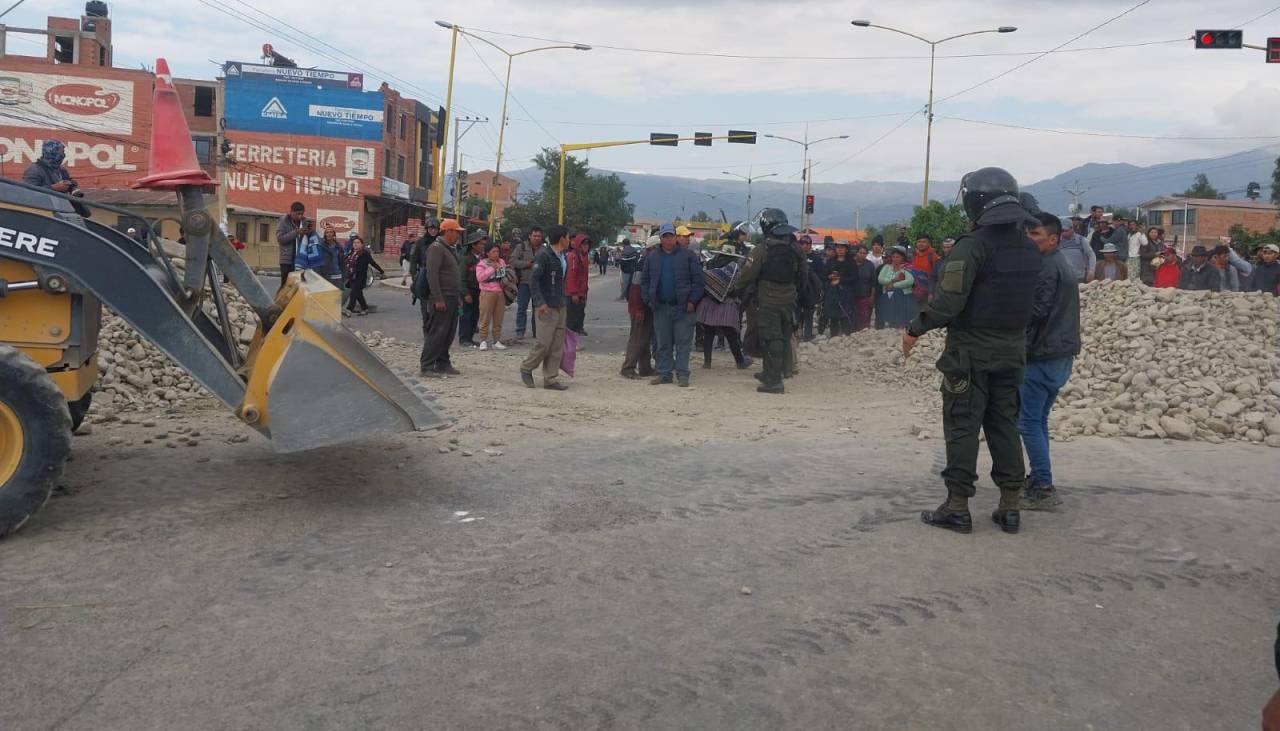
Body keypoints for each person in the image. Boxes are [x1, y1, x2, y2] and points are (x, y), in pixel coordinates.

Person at [903, 167, 1041, 535]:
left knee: (963, 426)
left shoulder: (972, 246)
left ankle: (957, 505)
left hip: (970, 353)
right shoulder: (1029, 248)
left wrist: (915, 328)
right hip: (1012, 352)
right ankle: (1010, 505)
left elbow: (948, 304)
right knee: (1004, 425)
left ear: (973, 200)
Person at [1018, 213, 1080, 511]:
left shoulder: (1046, 267)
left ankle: (1043, 486)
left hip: (1042, 354)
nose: (1030, 239)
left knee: (1028, 422)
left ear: (1053, 238)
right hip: (1060, 353)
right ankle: (1038, 477)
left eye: (1035, 234)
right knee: (1038, 419)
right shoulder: (1060, 264)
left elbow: (1036, 312)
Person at [731, 208, 807, 395]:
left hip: (768, 300)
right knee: (782, 335)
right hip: (789, 300)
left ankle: (774, 381)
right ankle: (773, 372)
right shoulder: (796, 248)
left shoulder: (762, 248)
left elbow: (747, 275)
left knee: (770, 338)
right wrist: (794, 293)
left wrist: (736, 290)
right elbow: (803, 276)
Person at [642, 223, 705, 388]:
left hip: (684, 308)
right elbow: (645, 281)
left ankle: (683, 374)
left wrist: (693, 301)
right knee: (663, 343)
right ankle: (664, 374)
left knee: (683, 343)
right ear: (660, 238)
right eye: (665, 236)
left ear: (676, 237)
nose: (668, 239)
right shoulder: (652, 257)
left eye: (671, 236)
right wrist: (648, 299)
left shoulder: (688, 256)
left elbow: (699, 281)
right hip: (661, 307)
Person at [520, 225, 571, 391]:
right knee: (544, 342)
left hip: (560, 305)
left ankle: (550, 378)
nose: (569, 240)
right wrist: (540, 301)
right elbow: (533, 281)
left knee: (557, 344)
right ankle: (527, 367)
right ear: (562, 238)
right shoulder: (544, 256)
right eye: (568, 237)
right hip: (546, 306)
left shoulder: (563, 257)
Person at [420, 219, 464, 376]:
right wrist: (438, 298)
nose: (458, 235)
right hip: (442, 297)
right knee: (437, 333)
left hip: (451, 296)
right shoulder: (436, 248)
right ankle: (426, 365)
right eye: (456, 232)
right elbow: (432, 275)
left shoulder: (449, 249)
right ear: (449, 232)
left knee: (448, 333)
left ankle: (443, 363)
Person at [620, 236, 658, 380]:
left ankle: (645, 367)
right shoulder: (644, 264)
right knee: (638, 338)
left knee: (645, 337)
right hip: (639, 307)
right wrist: (639, 310)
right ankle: (628, 367)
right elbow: (635, 289)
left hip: (644, 306)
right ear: (653, 248)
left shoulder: (646, 261)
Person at [510, 226, 545, 340]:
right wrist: (527, 264)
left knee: (538, 308)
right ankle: (520, 331)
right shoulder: (521, 247)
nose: (536, 238)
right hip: (524, 282)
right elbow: (513, 261)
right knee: (522, 308)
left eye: (539, 236)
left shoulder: (545, 249)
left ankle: (537, 331)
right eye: (534, 236)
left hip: (539, 283)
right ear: (530, 236)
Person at [475, 241, 510, 351]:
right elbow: (480, 278)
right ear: (487, 253)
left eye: (497, 251)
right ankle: (483, 340)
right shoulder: (482, 264)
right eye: (493, 251)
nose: (496, 254)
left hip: (500, 292)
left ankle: (496, 340)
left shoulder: (502, 262)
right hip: (487, 292)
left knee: (498, 318)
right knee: (485, 317)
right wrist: (492, 268)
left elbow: (505, 275)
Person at [876, 247, 917, 328]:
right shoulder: (886, 267)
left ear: (903, 258)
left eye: (898, 257)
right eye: (893, 257)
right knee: (892, 319)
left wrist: (892, 285)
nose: (895, 259)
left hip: (903, 297)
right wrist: (895, 279)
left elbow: (909, 281)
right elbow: (880, 279)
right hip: (889, 297)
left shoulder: (906, 268)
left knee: (903, 320)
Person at [458, 232, 485, 348]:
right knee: (465, 315)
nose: (483, 246)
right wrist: (465, 294)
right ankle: (464, 339)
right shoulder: (465, 259)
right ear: (473, 245)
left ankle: (470, 338)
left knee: (475, 315)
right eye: (481, 244)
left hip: (478, 291)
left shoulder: (482, 259)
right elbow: (461, 278)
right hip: (467, 291)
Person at [343, 236, 383, 316]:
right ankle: (365, 308)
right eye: (354, 243)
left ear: (362, 244)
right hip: (351, 277)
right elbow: (345, 261)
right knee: (358, 294)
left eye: (358, 243)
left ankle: (349, 309)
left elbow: (373, 263)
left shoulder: (365, 254)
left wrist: (381, 271)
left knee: (353, 293)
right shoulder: (351, 252)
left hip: (360, 278)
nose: (356, 244)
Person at [275, 201, 309, 288]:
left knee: (299, 286)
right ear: (291, 212)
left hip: (301, 260)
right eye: (298, 214)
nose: (300, 216)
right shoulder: (283, 221)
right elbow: (281, 239)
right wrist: (296, 232)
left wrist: (308, 232)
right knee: (286, 286)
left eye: (302, 214)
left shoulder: (304, 222)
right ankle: (279, 301)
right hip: (287, 260)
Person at [846, 245, 878, 332]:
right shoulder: (849, 263)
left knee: (864, 317)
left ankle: (864, 335)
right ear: (857, 253)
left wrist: (872, 296)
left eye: (864, 253)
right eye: (860, 252)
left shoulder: (870, 265)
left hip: (865, 295)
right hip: (851, 295)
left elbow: (873, 282)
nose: (862, 255)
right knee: (851, 316)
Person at [566, 233, 592, 336]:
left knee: (580, 312)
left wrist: (585, 291)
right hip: (573, 292)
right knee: (572, 315)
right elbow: (571, 276)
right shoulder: (573, 256)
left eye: (587, 244)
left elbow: (584, 276)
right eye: (584, 244)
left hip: (582, 291)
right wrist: (574, 293)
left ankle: (578, 328)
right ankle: (571, 335)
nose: (586, 246)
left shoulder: (584, 257)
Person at [320, 227, 349, 312]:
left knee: (337, 296)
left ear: (334, 234)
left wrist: (344, 275)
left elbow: (342, 263)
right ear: (325, 234)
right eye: (327, 232)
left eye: (331, 232)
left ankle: (335, 312)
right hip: (327, 275)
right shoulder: (321, 246)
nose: (329, 234)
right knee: (327, 296)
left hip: (338, 275)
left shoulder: (338, 247)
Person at [1057, 219, 1096, 283]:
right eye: (1061, 231)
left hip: (1080, 277)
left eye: (1065, 231)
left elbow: (1091, 255)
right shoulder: (1057, 242)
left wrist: (1091, 270)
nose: (1063, 233)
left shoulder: (1081, 240)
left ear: (1072, 228)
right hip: (1064, 278)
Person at [910, 234, 942, 301]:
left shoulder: (934, 257)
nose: (921, 244)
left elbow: (938, 277)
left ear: (929, 243)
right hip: (914, 293)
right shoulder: (914, 256)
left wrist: (931, 293)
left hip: (928, 294)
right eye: (919, 242)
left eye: (924, 242)